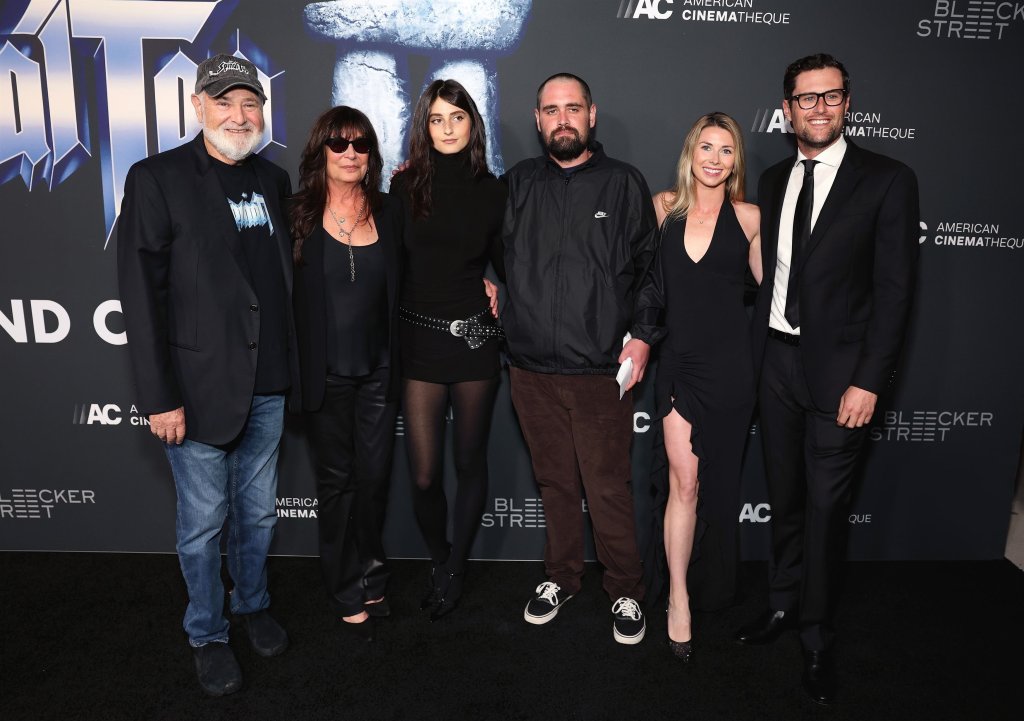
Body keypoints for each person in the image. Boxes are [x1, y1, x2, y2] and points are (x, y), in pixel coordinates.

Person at [735, 54, 919, 704]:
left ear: (847, 104)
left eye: (830, 96)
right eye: (804, 98)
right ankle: (782, 602)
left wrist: (869, 380)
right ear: (786, 109)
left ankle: (816, 631)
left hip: (843, 376)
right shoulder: (776, 175)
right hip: (776, 363)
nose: (817, 108)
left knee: (823, 507)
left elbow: (895, 293)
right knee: (783, 496)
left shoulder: (888, 179)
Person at [117, 54, 295, 696]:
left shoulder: (274, 182)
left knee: (259, 515)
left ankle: (251, 605)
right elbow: (140, 295)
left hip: (270, 383)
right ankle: (208, 633)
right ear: (198, 107)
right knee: (201, 525)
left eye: (250, 104)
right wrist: (159, 397)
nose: (239, 115)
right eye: (224, 102)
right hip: (195, 390)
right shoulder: (157, 178)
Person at [503, 73, 663, 645]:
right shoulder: (517, 183)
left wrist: (643, 336)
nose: (562, 119)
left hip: (600, 372)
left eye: (573, 108)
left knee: (608, 486)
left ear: (592, 115)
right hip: (529, 369)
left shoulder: (623, 184)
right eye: (551, 110)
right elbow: (476, 246)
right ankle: (561, 578)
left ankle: (624, 588)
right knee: (554, 484)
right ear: (538, 119)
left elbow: (650, 272)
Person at [642, 113, 762, 662]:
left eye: (727, 150)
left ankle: (715, 582)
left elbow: (776, 294)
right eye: (706, 147)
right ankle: (679, 600)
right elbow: (644, 284)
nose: (715, 159)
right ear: (691, 152)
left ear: (737, 160)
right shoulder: (665, 207)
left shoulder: (751, 217)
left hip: (732, 367)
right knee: (683, 483)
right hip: (678, 364)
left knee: (719, 485)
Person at [389, 79, 507, 621]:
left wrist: (498, 286)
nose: (447, 128)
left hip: (475, 338)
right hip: (418, 338)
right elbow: (387, 265)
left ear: (472, 124)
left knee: (469, 461)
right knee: (424, 474)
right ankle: (439, 555)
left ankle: (456, 566)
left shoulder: (494, 189)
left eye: (457, 117)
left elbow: (508, 264)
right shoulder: (404, 186)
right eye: (436, 119)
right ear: (424, 126)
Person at [290, 107, 402, 641]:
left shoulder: (391, 211)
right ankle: (342, 586)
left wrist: (487, 284)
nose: (350, 153)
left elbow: (431, 269)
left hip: (380, 371)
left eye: (360, 145)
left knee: (375, 479)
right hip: (326, 375)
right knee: (336, 485)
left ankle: (372, 571)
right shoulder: (296, 216)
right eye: (338, 144)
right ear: (321, 151)